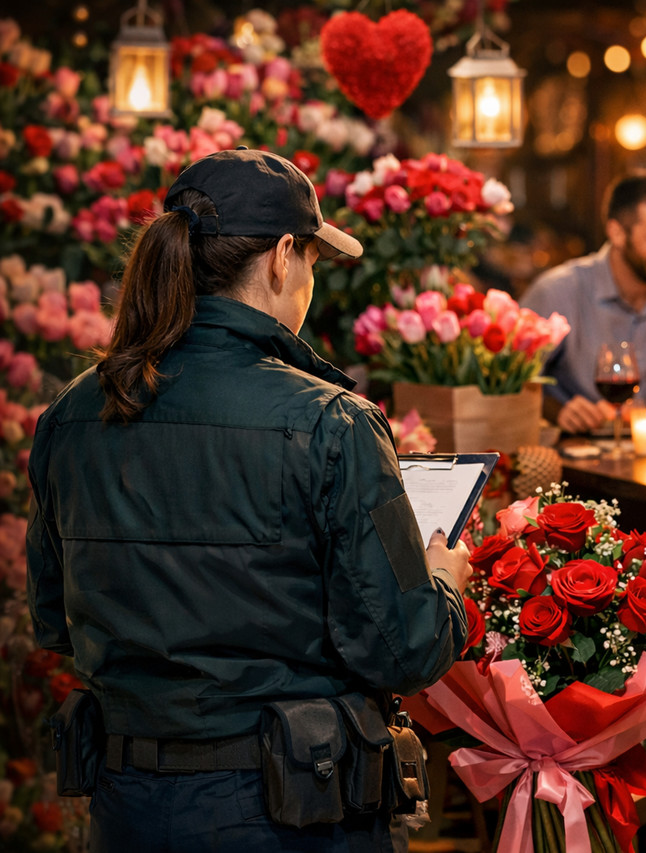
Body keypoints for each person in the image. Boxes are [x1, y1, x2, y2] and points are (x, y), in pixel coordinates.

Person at [25, 149, 472, 852]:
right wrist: (445, 579)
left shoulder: (72, 415)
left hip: (127, 808)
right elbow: (405, 648)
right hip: (291, 815)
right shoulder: (332, 421)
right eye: (314, 263)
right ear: (281, 257)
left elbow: (53, 620)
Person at [521, 171, 646, 434]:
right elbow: (511, 380)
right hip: (578, 448)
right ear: (617, 233)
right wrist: (557, 410)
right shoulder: (557, 291)